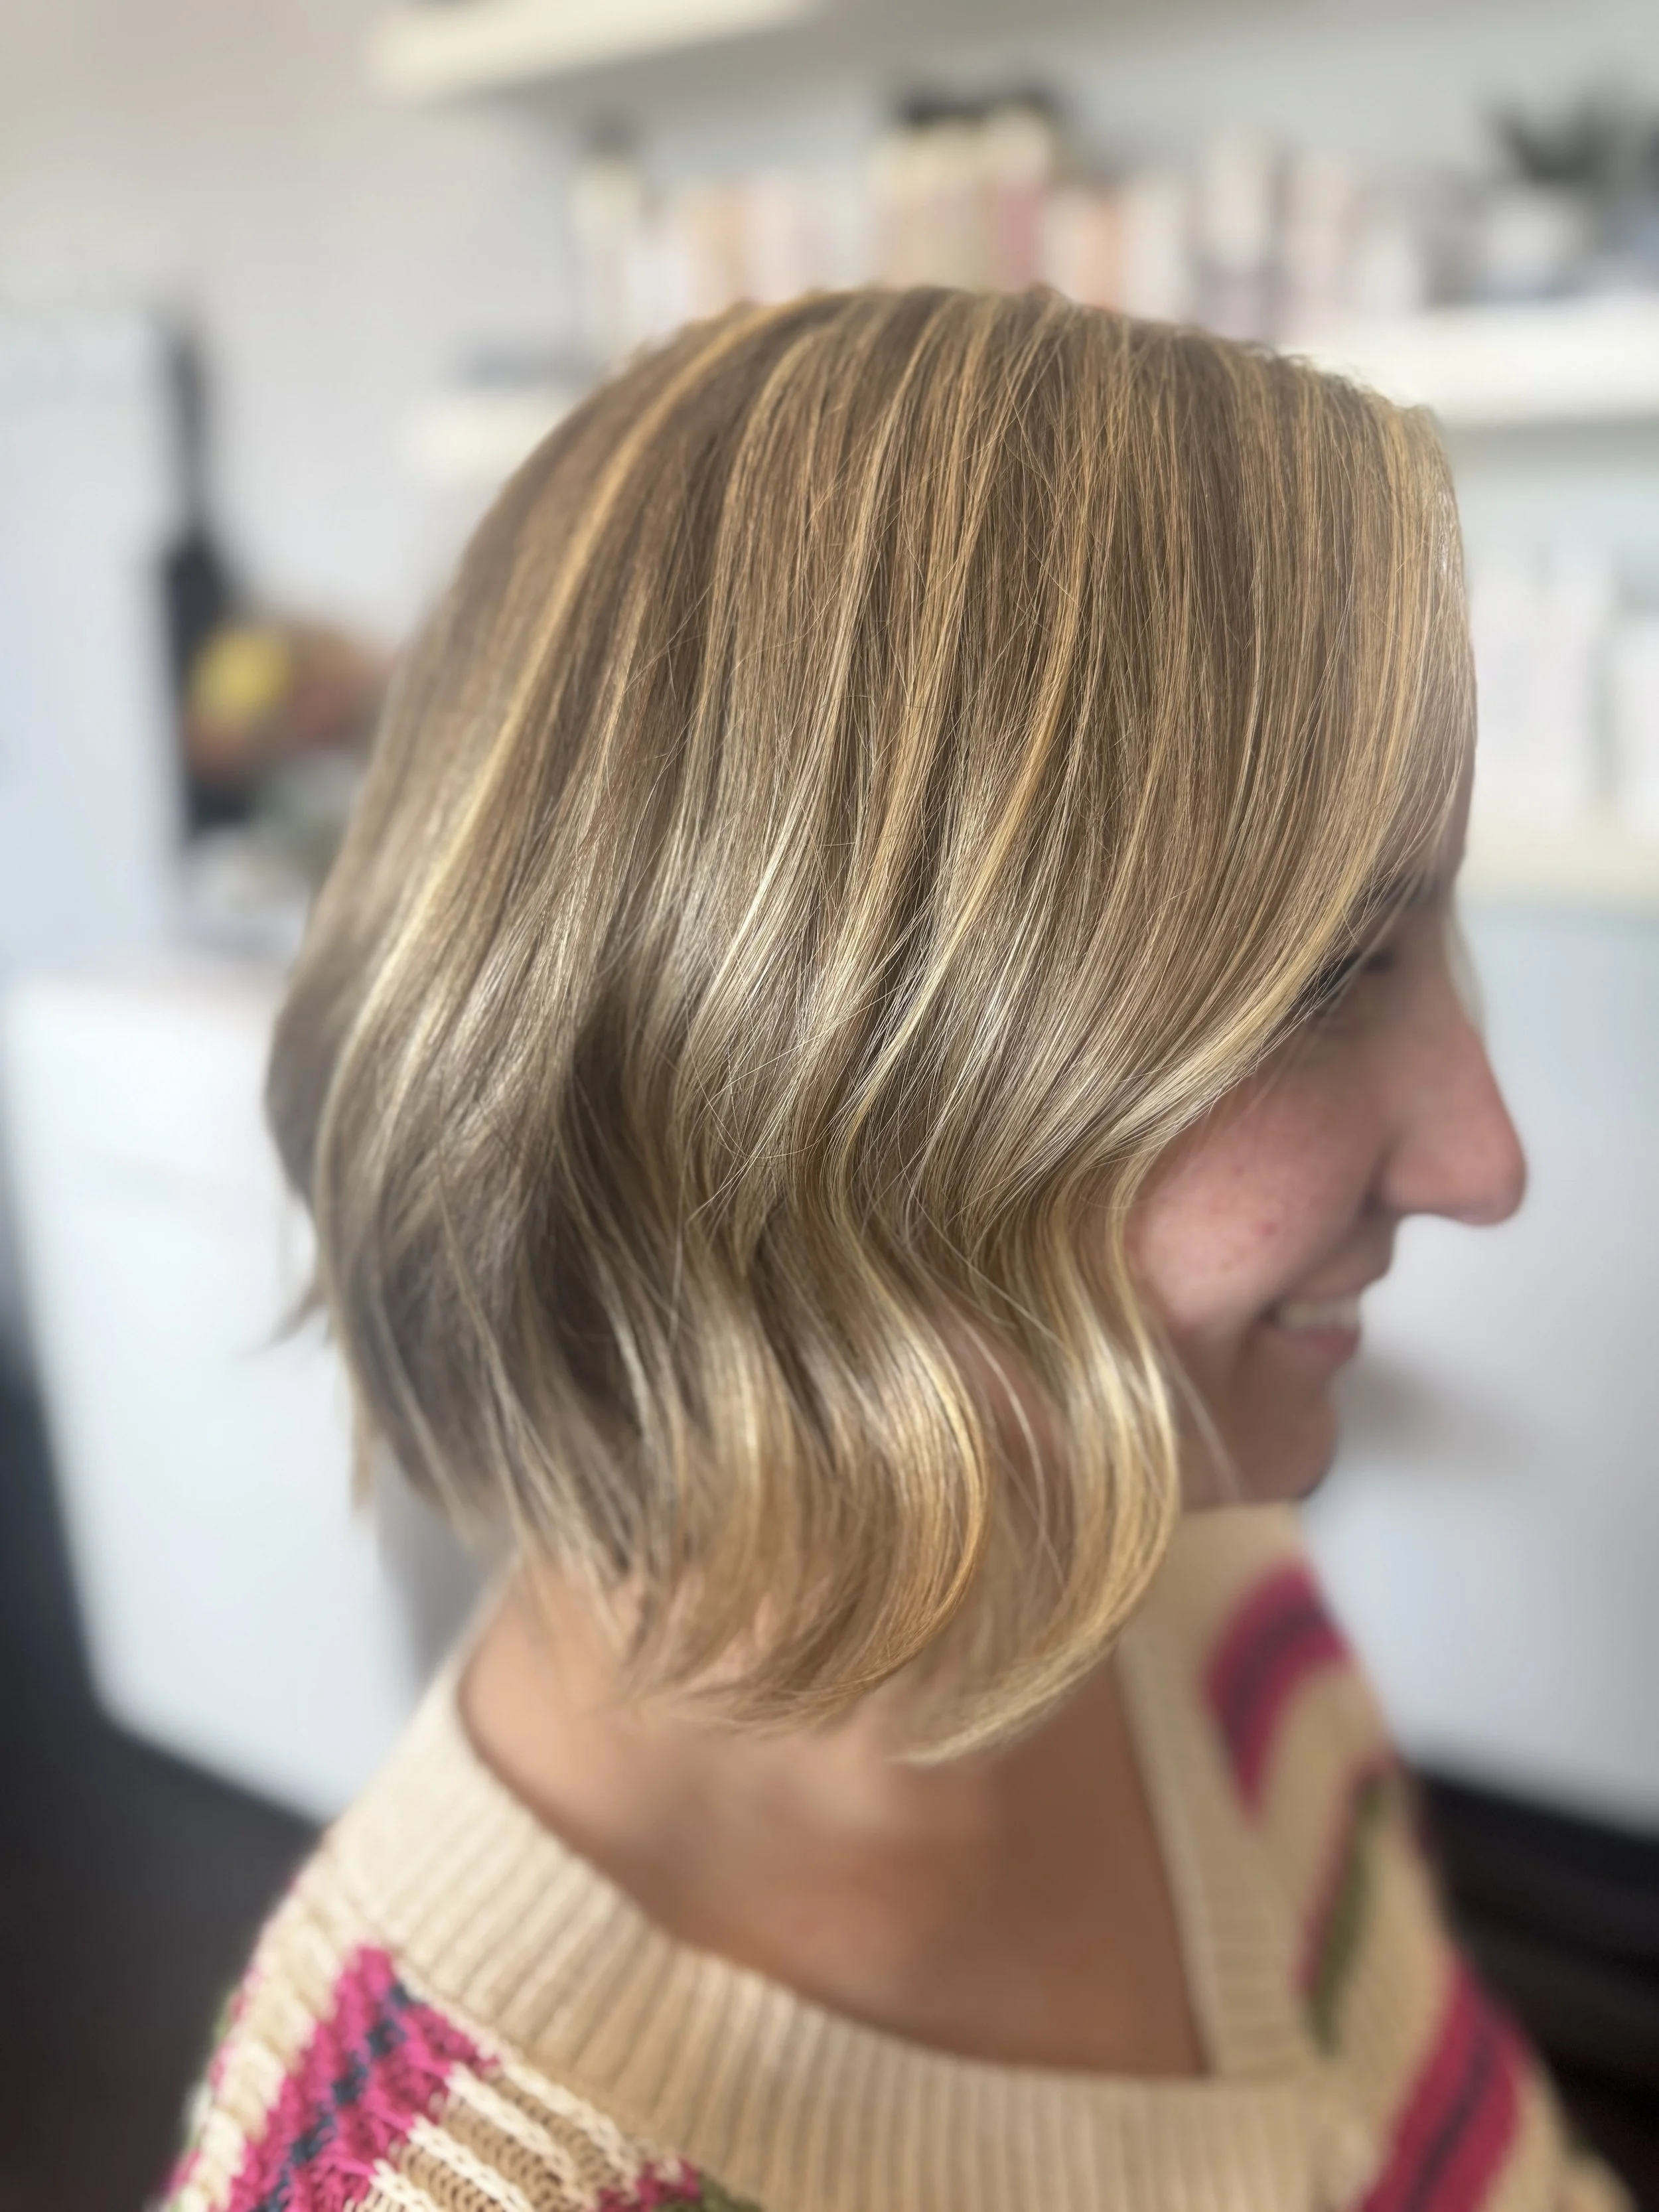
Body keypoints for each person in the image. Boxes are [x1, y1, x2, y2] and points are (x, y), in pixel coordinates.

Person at [159, 287, 1630, 2212]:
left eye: (1431, 938)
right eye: (1329, 975)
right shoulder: (442, 2175)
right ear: (802, 1078)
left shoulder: (1169, 1577)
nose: (1483, 1154)